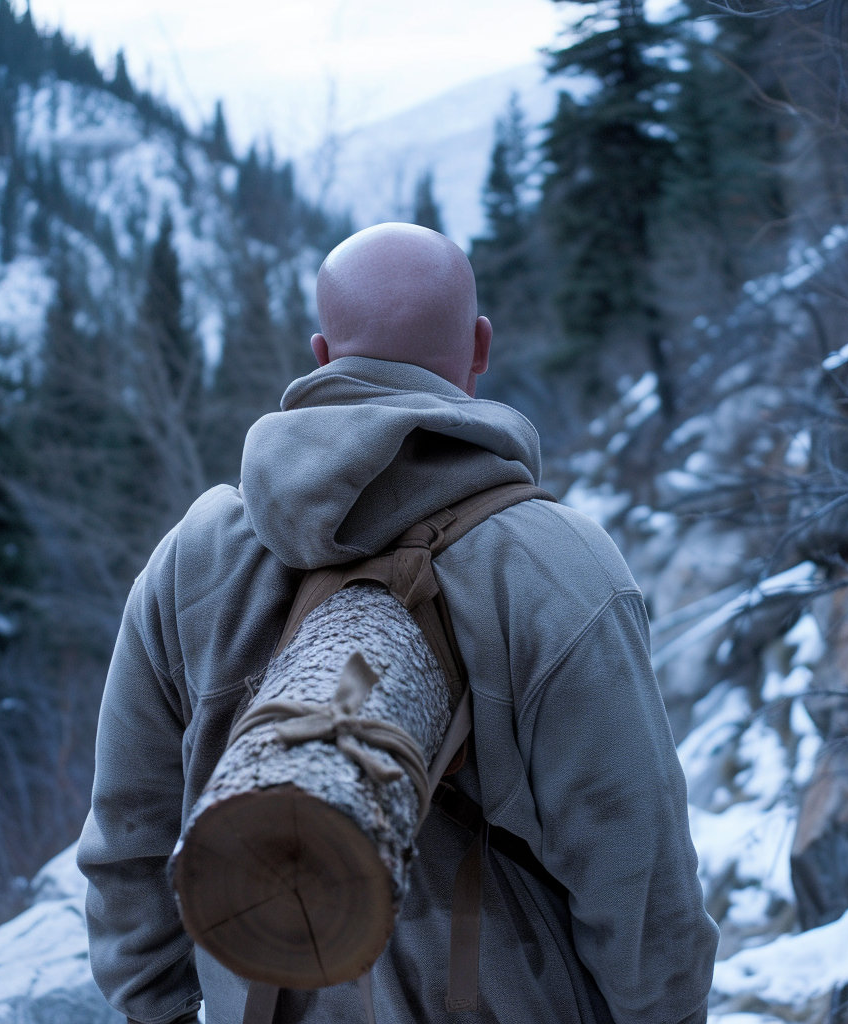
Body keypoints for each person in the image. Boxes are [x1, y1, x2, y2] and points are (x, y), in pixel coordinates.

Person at [77, 222, 718, 1024]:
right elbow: (638, 869)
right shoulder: (560, 564)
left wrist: (158, 1010)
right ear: (480, 346)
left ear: (322, 356)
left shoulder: (191, 562)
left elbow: (128, 839)